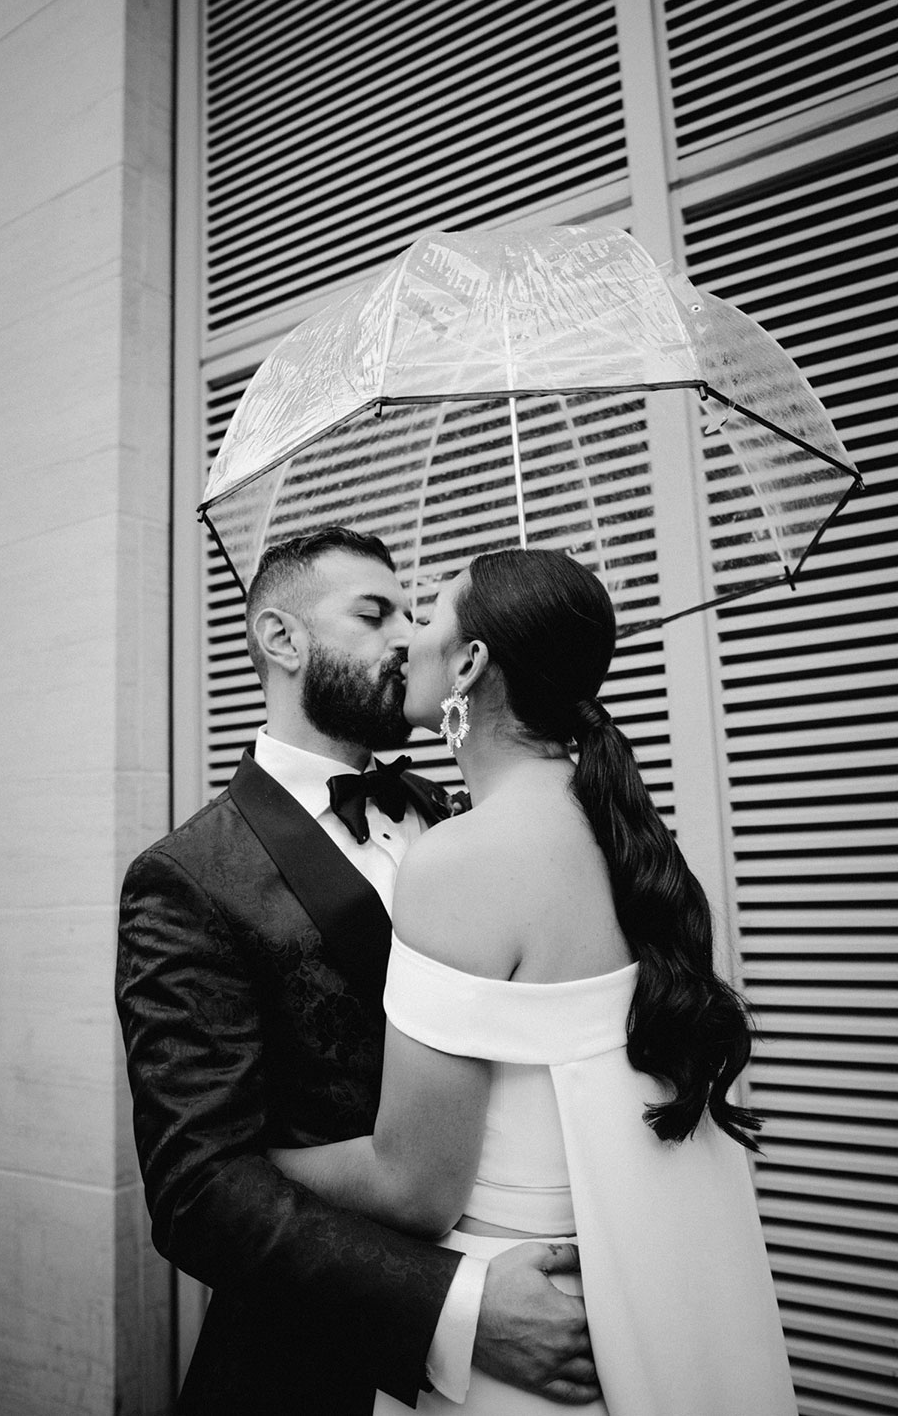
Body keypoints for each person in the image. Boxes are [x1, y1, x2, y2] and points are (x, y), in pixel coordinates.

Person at [268, 545, 799, 1415]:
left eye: (427, 616)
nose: (405, 640)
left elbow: (414, 1184)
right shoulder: (624, 834)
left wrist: (261, 1151)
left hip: (514, 1334)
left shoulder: (461, 861)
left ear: (471, 663)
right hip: (629, 1301)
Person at [116, 528, 601, 1415]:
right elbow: (198, 1192)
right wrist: (456, 1305)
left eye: (416, 614)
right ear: (281, 639)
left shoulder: (463, 820)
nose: (410, 637)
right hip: (309, 1369)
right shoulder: (185, 877)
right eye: (376, 613)